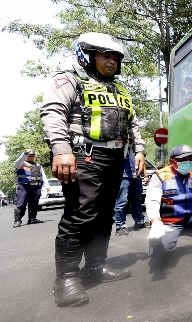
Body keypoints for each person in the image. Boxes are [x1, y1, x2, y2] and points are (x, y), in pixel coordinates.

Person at [40, 32, 146, 307]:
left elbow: (133, 123)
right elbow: (53, 112)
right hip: (83, 155)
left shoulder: (120, 90)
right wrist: (61, 150)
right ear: (86, 55)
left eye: (115, 58)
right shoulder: (69, 79)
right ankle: (66, 279)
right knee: (80, 214)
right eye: (105, 56)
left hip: (115, 158)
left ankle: (96, 267)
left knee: (103, 215)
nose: (112, 62)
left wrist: (140, 150)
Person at [114, 147, 149, 236]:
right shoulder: (122, 144)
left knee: (137, 200)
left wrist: (145, 175)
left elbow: (142, 162)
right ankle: (120, 226)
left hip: (136, 177)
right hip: (124, 176)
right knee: (122, 202)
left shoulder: (137, 147)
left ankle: (140, 221)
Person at [13, 149, 50, 227]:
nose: (31, 157)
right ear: (26, 156)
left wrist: (46, 185)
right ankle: (17, 220)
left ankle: (32, 219)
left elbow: (43, 175)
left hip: (36, 187)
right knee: (21, 204)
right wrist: (24, 153)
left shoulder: (38, 165)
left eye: (32, 155)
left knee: (34, 204)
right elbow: (17, 162)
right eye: (29, 155)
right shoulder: (20, 164)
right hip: (24, 186)